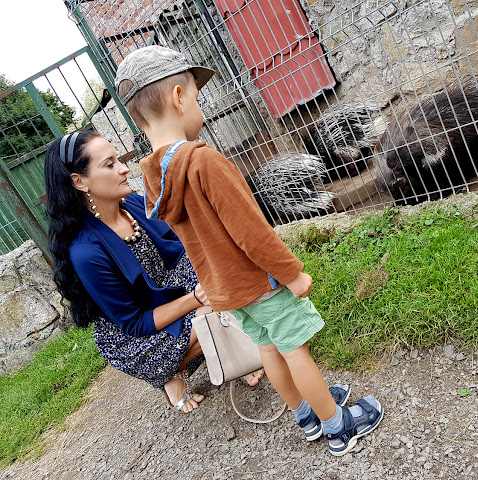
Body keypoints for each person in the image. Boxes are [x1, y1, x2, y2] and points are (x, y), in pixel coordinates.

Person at [115, 45, 384, 455]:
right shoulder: (203, 161)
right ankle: (337, 424)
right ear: (178, 97)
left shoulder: (153, 177)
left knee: (269, 349)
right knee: (297, 351)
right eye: (198, 98)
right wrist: (293, 274)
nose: (200, 108)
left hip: (226, 290)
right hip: (260, 281)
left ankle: (306, 415)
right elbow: (251, 232)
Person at [44, 130, 263, 413]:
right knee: (213, 306)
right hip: (135, 335)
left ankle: (224, 347)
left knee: (222, 270)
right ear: (79, 181)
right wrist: (197, 299)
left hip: (166, 290)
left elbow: (183, 246)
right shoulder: (86, 252)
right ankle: (175, 371)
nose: (124, 168)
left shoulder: (132, 204)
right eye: (109, 164)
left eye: (119, 160)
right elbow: (135, 323)